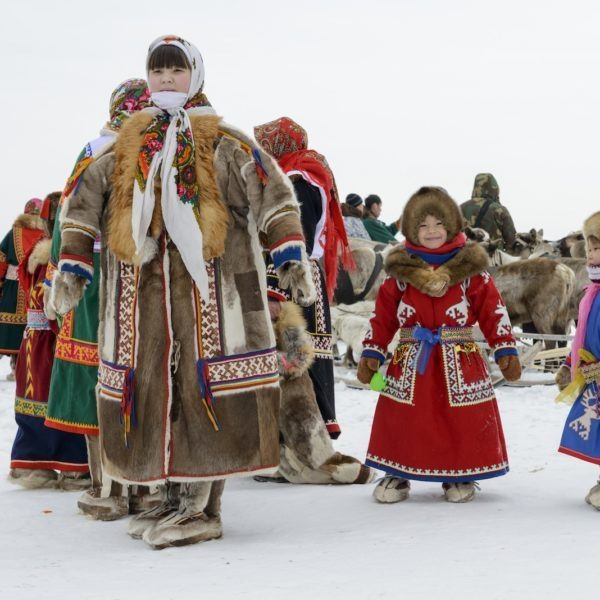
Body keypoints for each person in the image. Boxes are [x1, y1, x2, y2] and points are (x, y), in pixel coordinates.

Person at [51, 35, 314, 549]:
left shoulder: (225, 141)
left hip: (213, 295)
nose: (166, 80)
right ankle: (173, 498)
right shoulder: (128, 143)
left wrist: (288, 253)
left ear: (195, 75)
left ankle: (202, 508)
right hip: (142, 299)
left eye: (175, 71)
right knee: (154, 394)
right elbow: (83, 200)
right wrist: (73, 266)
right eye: (157, 72)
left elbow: (271, 190)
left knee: (204, 389)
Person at [357, 186, 521, 503]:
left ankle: (459, 474)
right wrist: (371, 352)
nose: (431, 231)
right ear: (411, 229)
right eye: (422, 225)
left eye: (438, 224)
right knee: (404, 418)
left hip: (459, 356)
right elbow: (383, 316)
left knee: (459, 420)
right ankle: (398, 473)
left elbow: (493, 311)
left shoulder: (472, 271)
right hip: (411, 357)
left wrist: (505, 349)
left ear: (451, 226)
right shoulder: (400, 272)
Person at [44, 78, 152, 521]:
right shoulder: (162, 150)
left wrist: (59, 275)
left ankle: (107, 488)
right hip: (150, 280)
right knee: (146, 380)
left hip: (96, 284)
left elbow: (71, 221)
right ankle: (146, 487)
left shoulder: (96, 150)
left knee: (102, 379)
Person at [255, 116, 352, 439]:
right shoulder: (307, 175)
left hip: (292, 277)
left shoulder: (296, 180)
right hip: (302, 275)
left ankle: (299, 438)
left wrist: (274, 288)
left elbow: (297, 239)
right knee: (306, 350)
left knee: (294, 352)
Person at [9, 192, 89, 490]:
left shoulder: (33, 253)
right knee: (60, 399)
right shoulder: (57, 259)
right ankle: (72, 467)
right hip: (54, 340)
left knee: (32, 399)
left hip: (31, 340)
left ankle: (32, 464)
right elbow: (54, 307)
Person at [555, 211, 600, 510]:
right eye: (590, 248)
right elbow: (582, 334)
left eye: (598, 248)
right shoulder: (591, 293)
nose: (592, 255)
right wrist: (570, 363)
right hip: (594, 376)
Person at [0, 198, 46, 380]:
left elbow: (1, 260)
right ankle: (19, 369)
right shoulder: (46, 235)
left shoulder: (13, 233)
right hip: (37, 291)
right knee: (31, 330)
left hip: (13, 290)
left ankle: (14, 367)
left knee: (7, 329)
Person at [460, 173, 517, 252]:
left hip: (467, 258)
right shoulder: (499, 210)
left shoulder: (460, 208)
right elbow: (511, 242)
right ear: (494, 188)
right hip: (493, 259)